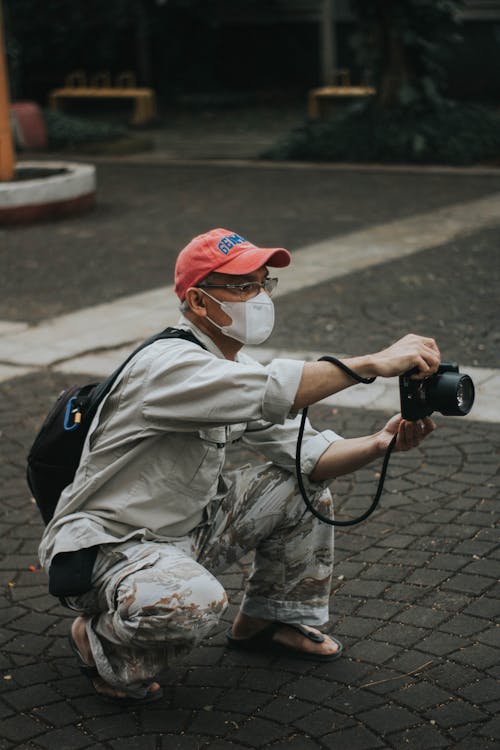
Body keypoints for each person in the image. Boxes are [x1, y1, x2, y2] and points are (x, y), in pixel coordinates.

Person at [39, 228, 439, 704]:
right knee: (190, 603)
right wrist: (375, 362)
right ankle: (100, 642)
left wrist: (382, 441)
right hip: (113, 549)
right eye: (242, 286)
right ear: (199, 301)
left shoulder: (228, 367)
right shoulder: (169, 365)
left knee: (303, 489)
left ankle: (267, 622)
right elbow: (276, 388)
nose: (260, 297)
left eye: (263, 283)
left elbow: (310, 458)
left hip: (184, 531)